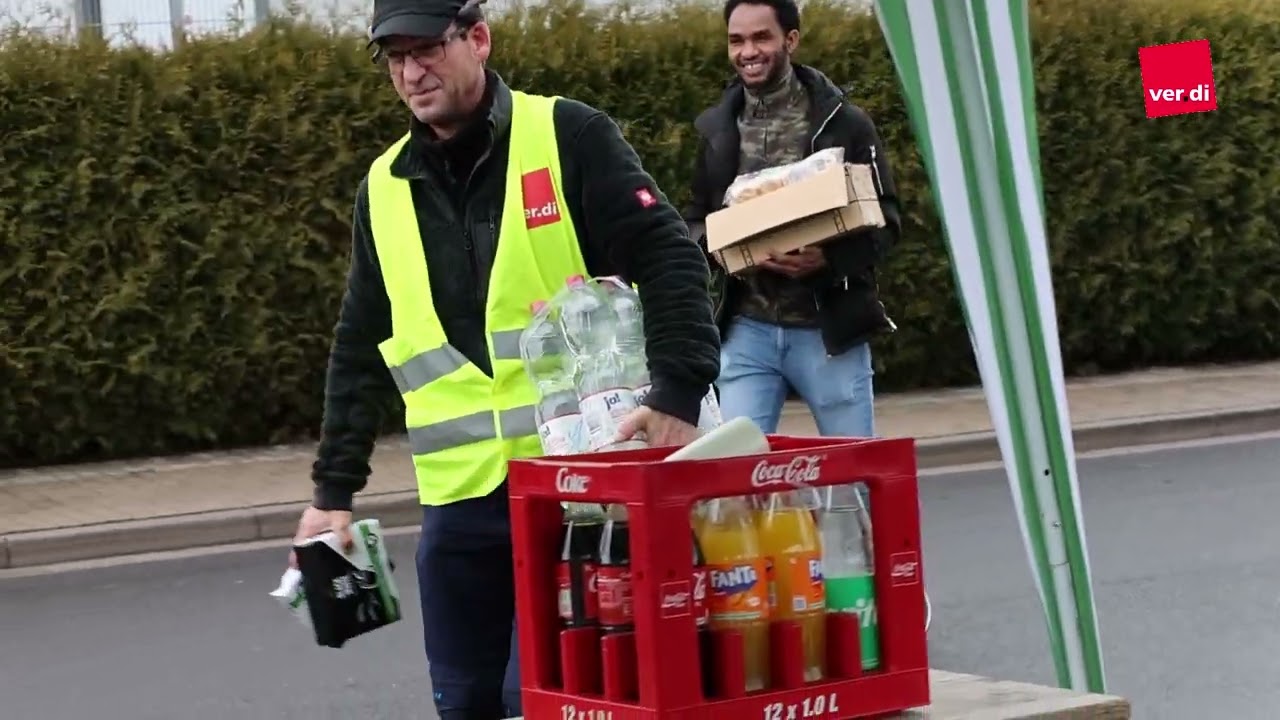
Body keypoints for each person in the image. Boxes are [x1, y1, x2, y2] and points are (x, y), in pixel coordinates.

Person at [289, 0, 721, 716]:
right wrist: (332, 494)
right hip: (458, 507)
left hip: (573, 493)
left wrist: (677, 393)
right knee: (464, 702)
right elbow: (360, 343)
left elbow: (669, 254)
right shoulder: (385, 188)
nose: (410, 72)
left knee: (545, 699)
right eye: (393, 58)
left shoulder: (568, 135)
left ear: (479, 39)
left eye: (425, 49)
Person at [683, 0, 902, 438]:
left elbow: (888, 220)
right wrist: (730, 250)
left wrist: (828, 259)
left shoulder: (845, 124)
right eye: (737, 40)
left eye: (761, 37)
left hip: (826, 334)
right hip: (747, 333)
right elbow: (695, 221)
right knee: (735, 479)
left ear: (791, 40)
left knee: (851, 482)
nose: (748, 51)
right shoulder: (717, 130)